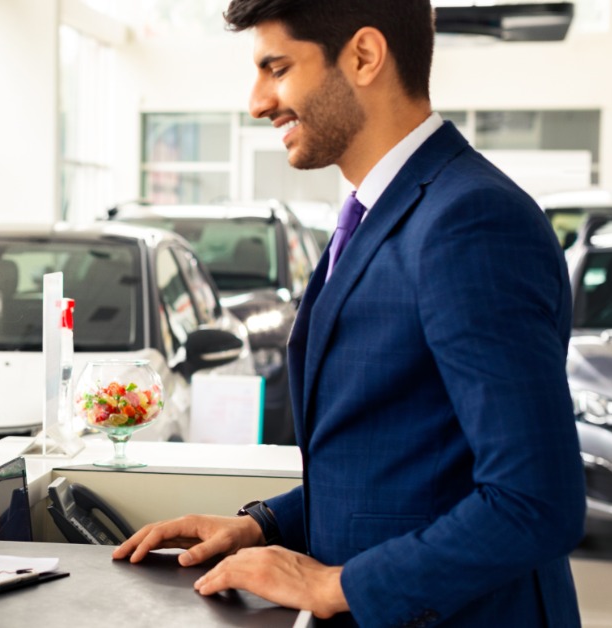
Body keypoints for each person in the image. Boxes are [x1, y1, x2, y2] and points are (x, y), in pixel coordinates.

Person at [113, 1, 585, 626]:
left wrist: (338, 585)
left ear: (364, 56)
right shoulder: (382, 213)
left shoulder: (469, 221)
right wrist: (264, 525)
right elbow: (410, 466)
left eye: (276, 68)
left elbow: (535, 501)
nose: (257, 102)